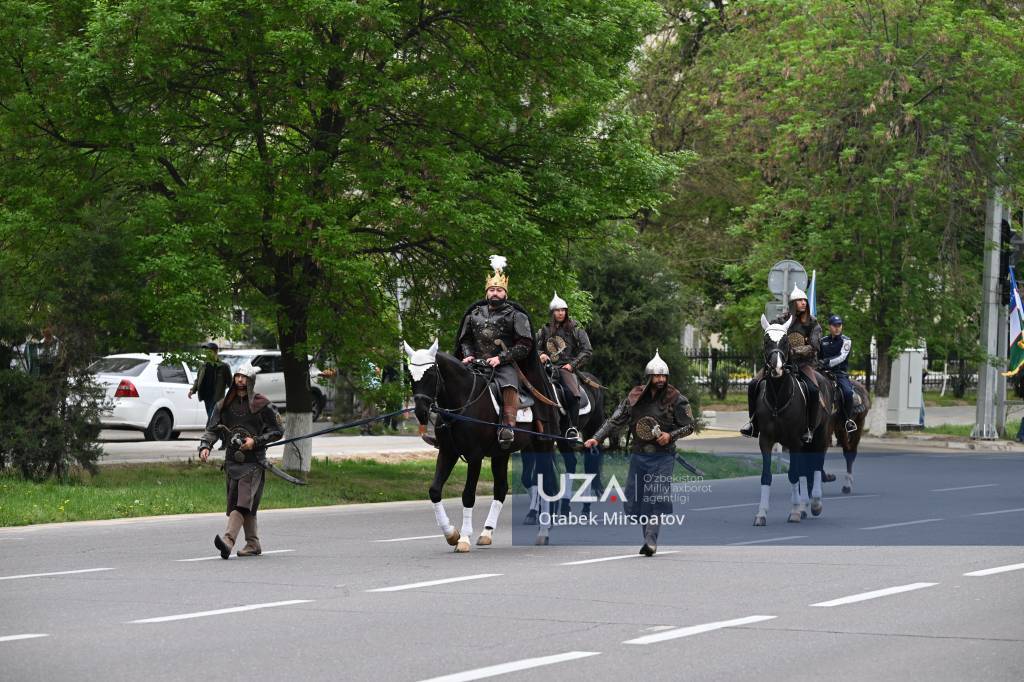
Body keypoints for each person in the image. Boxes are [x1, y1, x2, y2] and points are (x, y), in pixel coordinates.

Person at [584, 350, 695, 556]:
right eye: (657, 376)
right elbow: (615, 419)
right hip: (639, 455)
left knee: (656, 497)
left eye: (663, 376)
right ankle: (647, 538)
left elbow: (689, 427)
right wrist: (596, 438)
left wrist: (670, 436)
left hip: (663, 456)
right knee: (638, 500)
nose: (660, 379)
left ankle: (651, 540)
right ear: (649, 377)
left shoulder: (676, 398)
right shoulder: (634, 397)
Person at [454, 255, 557, 448]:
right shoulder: (473, 315)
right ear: (486, 293)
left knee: (509, 384)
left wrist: (500, 358)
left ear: (505, 293)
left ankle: (508, 426)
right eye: (492, 289)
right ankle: (446, 427)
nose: (495, 293)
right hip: (475, 363)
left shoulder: (516, 316)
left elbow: (525, 345)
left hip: (505, 365)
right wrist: (467, 354)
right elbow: (465, 339)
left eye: (499, 290)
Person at [198, 364, 284, 559]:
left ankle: (228, 541)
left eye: (244, 378)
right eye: (237, 377)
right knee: (243, 504)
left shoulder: (262, 404)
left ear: (251, 381)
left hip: (253, 462)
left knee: (242, 503)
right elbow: (212, 429)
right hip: (232, 462)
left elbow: (278, 431)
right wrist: (205, 446)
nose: (240, 381)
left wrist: (256, 441)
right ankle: (253, 543)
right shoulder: (223, 405)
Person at [741, 285, 822, 444]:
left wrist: (793, 351)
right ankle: (753, 424)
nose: (803, 303)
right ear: (792, 303)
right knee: (753, 385)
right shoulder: (779, 320)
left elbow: (814, 346)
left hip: (803, 364)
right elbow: (769, 338)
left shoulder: (813, 323)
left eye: (804, 300)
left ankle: (809, 428)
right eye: (799, 300)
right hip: (776, 362)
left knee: (813, 390)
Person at [537, 292, 593, 441]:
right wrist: (540, 354)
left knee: (573, 393)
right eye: (557, 310)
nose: (560, 313)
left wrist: (572, 365)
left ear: (566, 311)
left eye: (563, 310)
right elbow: (534, 348)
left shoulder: (576, 329)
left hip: (565, 368)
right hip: (546, 368)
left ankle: (573, 428)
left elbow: (587, 350)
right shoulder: (544, 330)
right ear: (552, 312)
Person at [820, 314, 857, 433]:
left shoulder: (846, 340)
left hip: (839, 374)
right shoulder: (823, 341)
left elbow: (842, 357)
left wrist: (826, 362)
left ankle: (848, 421)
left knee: (847, 393)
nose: (837, 328)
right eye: (834, 325)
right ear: (829, 327)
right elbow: (817, 356)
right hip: (823, 372)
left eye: (839, 325)